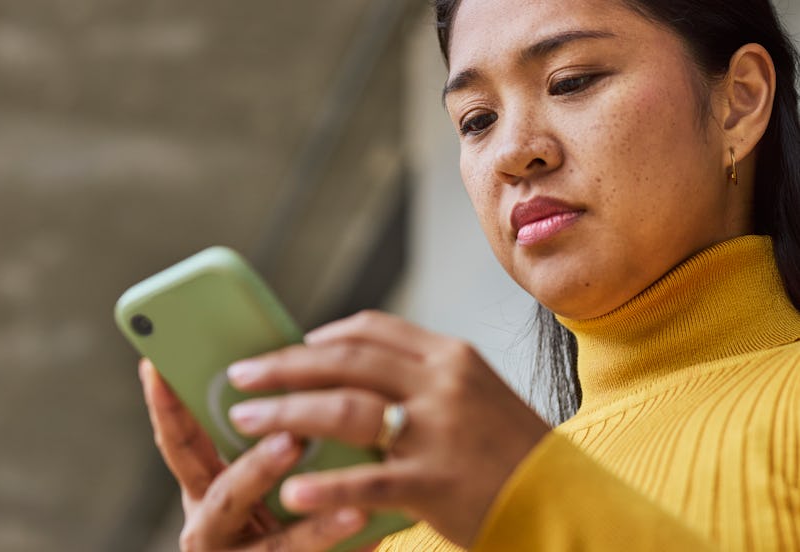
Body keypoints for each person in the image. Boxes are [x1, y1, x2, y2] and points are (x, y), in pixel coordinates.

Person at [139, 0, 800, 549]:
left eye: (570, 81)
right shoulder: (406, 531)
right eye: (477, 120)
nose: (513, 152)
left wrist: (527, 499)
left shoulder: (499, 495)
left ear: (739, 102)